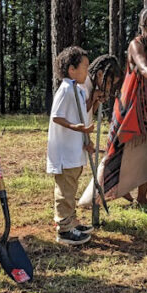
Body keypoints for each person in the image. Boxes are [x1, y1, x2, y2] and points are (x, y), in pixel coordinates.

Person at [80, 6, 147, 208]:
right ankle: (98, 197)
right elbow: (143, 68)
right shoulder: (136, 45)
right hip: (135, 108)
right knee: (123, 153)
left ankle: (138, 196)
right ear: (141, 25)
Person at [47, 46, 97, 245]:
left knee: (71, 188)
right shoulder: (66, 88)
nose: (87, 71)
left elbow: (81, 116)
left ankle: (72, 221)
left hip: (74, 151)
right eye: (84, 67)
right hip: (64, 153)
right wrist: (75, 127)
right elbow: (56, 116)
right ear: (71, 69)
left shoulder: (77, 89)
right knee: (65, 190)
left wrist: (87, 140)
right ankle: (64, 228)